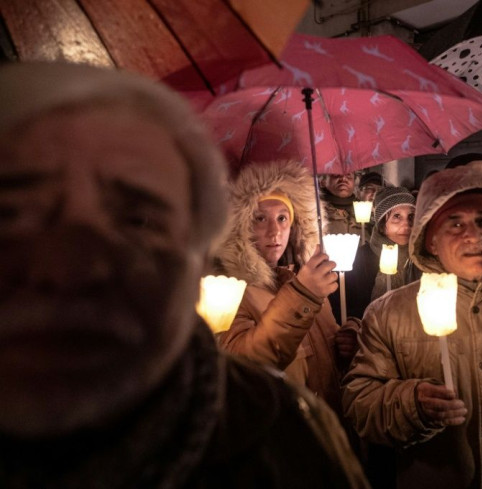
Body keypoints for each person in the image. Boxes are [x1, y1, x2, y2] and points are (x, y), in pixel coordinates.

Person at [0, 61, 368, 489]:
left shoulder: (285, 431)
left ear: (194, 246)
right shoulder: (234, 291)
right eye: (11, 214)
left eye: (138, 220)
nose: (77, 262)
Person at [343, 164, 482, 489]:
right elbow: (360, 404)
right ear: (430, 240)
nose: (474, 235)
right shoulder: (388, 313)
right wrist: (412, 404)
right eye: (455, 223)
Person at [216, 159, 359, 421]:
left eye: (283, 218)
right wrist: (303, 295)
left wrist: (347, 340)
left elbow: (322, 353)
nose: (275, 231)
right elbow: (247, 364)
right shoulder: (228, 290)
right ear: (241, 226)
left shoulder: (297, 278)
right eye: (260, 218)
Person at [342, 186, 421, 321]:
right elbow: (348, 305)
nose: (406, 225)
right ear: (382, 224)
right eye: (397, 216)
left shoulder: (421, 258)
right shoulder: (361, 259)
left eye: (411, 216)